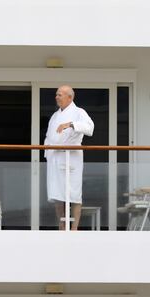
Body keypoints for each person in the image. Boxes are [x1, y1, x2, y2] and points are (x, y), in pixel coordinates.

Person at [43, 85, 95, 230]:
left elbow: (90, 128)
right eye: (56, 94)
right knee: (57, 194)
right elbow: (48, 136)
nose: (56, 97)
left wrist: (71, 124)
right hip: (55, 158)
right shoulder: (55, 116)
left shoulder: (79, 112)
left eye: (60, 95)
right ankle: (62, 225)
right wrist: (47, 152)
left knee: (74, 193)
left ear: (70, 97)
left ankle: (74, 228)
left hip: (72, 158)